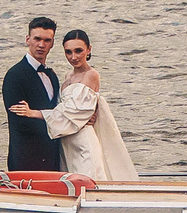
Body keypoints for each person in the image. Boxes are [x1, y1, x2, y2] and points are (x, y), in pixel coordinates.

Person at [30, 29, 137, 183]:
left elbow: (74, 111)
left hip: (83, 142)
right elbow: (65, 107)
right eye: (68, 52)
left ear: (89, 49)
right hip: (67, 142)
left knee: (89, 182)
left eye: (78, 51)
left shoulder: (91, 75)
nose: (73, 57)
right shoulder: (68, 76)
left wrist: (36, 113)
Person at [1, 18, 63, 173]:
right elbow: (21, 123)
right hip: (25, 160)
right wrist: (62, 126)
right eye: (37, 39)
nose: (41, 45)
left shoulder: (52, 76)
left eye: (47, 40)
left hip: (53, 159)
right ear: (28, 39)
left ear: (52, 43)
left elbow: (59, 109)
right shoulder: (15, 75)